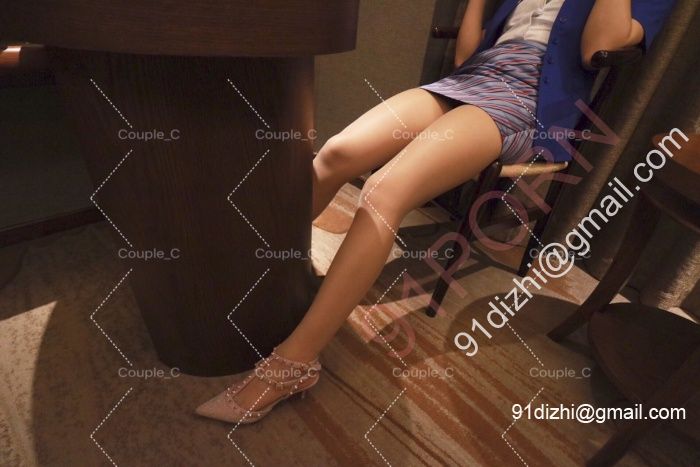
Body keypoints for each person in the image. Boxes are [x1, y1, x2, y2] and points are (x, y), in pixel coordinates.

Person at [196, 0, 677, 424]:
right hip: (472, 80)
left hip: (528, 101)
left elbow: (600, 47)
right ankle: (265, 272)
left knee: (383, 192)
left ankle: (294, 365)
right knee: (337, 153)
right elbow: (468, 56)